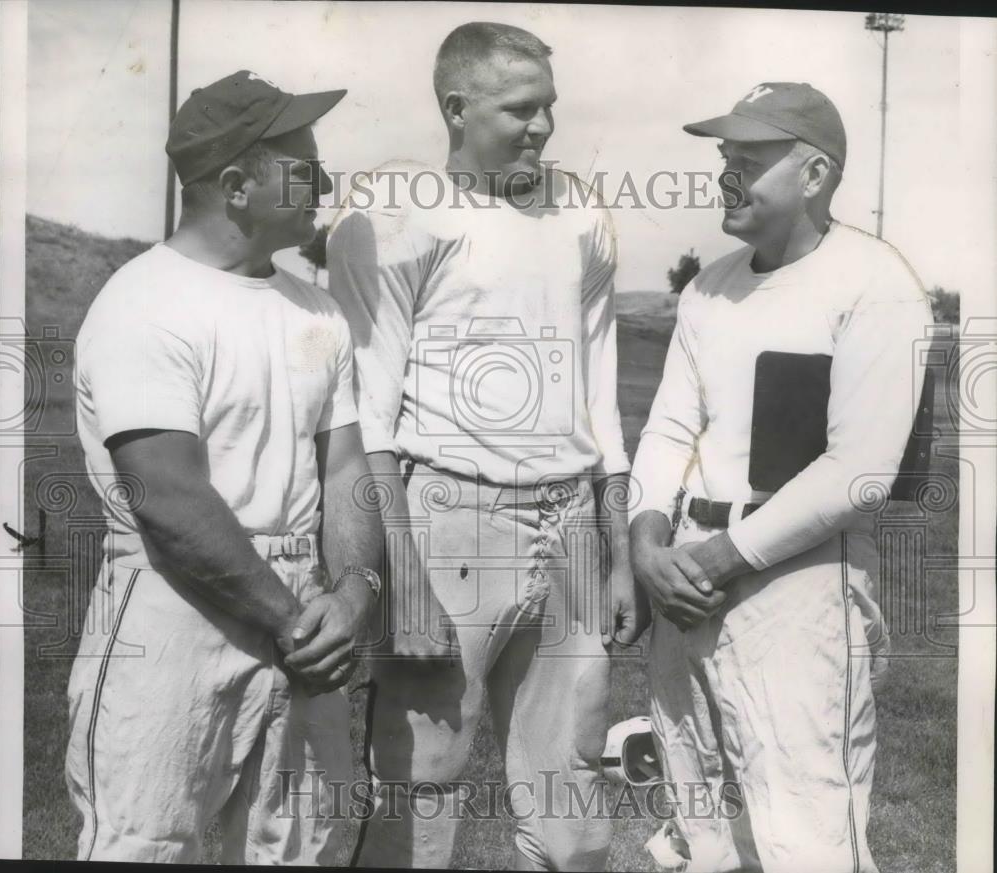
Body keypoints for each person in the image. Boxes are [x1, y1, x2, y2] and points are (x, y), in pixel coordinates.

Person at [326, 21, 647, 871]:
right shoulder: (396, 217)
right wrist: (402, 579)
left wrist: (617, 545)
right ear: (456, 107)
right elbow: (370, 417)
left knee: (573, 773)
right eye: (519, 109)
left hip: (570, 516)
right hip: (449, 515)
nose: (541, 127)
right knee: (422, 779)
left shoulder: (580, 208)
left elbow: (600, 391)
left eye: (549, 107)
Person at [66, 70, 384, 864]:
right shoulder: (144, 302)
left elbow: (346, 468)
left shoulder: (317, 311)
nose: (326, 182)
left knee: (298, 847)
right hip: (176, 604)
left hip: (305, 605)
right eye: (304, 166)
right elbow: (169, 500)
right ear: (238, 184)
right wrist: (294, 623)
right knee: (143, 844)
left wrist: (352, 595)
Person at [629, 82, 933, 873]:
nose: (727, 175)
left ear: (815, 174)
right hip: (686, 573)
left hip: (797, 583)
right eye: (724, 158)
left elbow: (859, 474)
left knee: (806, 837)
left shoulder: (875, 281)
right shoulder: (711, 284)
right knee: (699, 830)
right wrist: (647, 538)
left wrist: (717, 558)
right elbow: (668, 426)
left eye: (750, 160)